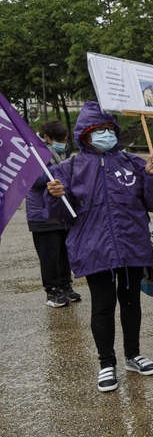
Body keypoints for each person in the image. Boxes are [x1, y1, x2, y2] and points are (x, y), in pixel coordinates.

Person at [44, 101, 153, 392]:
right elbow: (59, 215)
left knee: (131, 303)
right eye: (97, 130)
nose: (105, 135)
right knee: (103, 306)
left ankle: (133, 355)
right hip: (95, 249)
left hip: (132, 246)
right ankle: (106, 363)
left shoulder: (132, 162)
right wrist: (56, 196)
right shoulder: (69, 168)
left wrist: (151, 175)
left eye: (109, 129)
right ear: (84, 134)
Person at [26, 121, 80, 307]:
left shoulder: (62, 154)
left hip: (61, 212)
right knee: (49, 255)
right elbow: (34, 179)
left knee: (64, 253)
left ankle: (66, 286)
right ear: (47, 138)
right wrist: (62, 169)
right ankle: (52, 291)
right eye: (58, 140)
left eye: (64, 140)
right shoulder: (35, 153)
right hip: (42, 214)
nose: (62, 143)